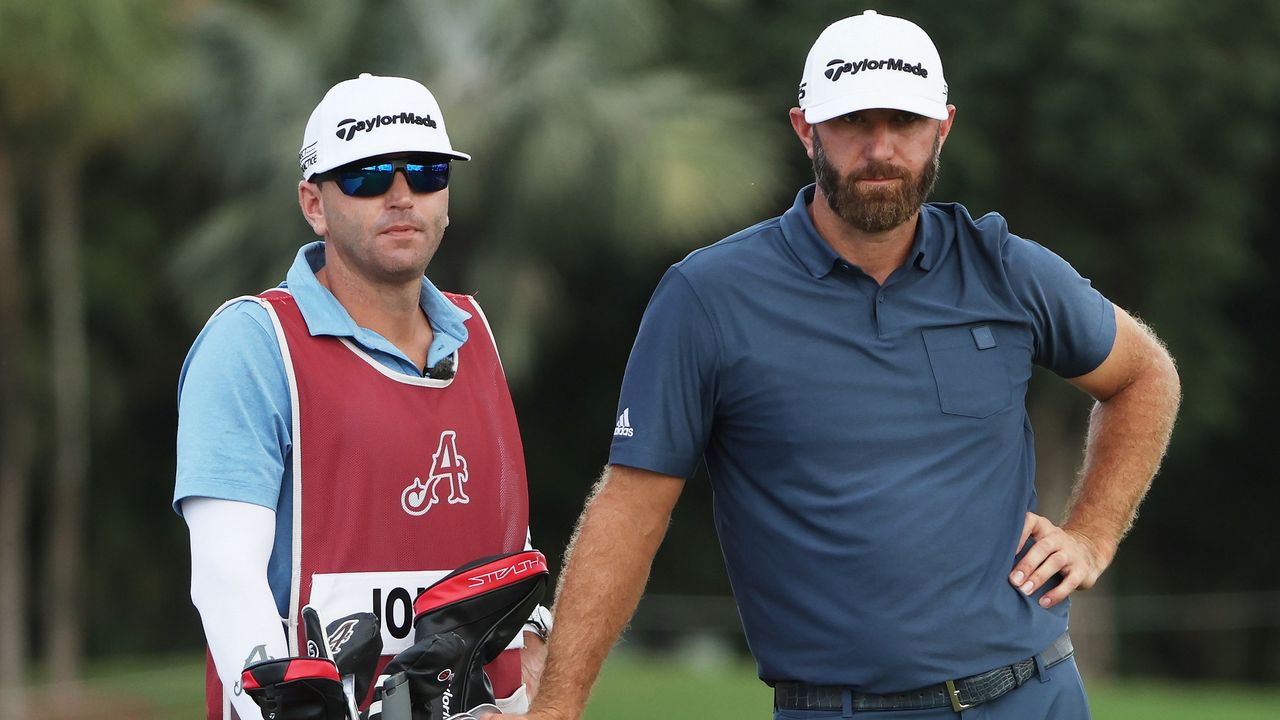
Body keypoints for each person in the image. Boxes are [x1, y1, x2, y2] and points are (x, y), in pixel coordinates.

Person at [499, 10, 1180, 720]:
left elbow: (1145, 376)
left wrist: (1094, 533)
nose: (881, 148)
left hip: (1031, 696)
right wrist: (556, 709)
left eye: (905, 123)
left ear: (943, 127)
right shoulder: (709, 297)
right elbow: (630, 507)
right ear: (805, 128)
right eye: (854, 121)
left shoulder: (1004, 269)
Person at [175, 73, 550, 720]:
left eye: (427, 172)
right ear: (313, 203)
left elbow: (509, 550)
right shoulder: (254, 343)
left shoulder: (477, 335)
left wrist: (534, 673)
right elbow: (225, 577)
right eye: (369, 175)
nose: (401, 195)